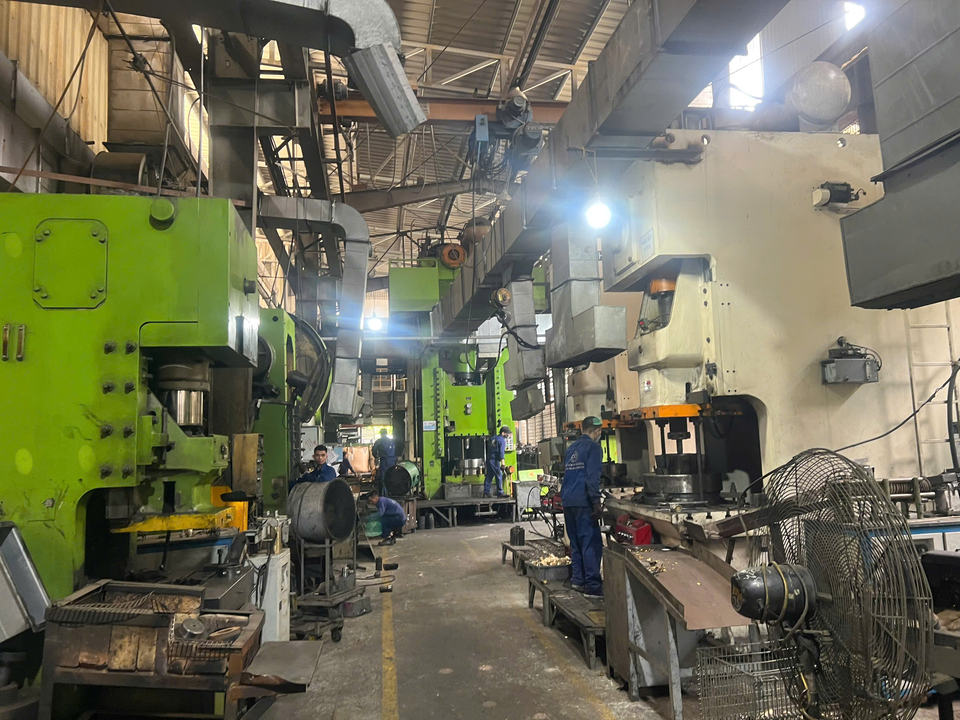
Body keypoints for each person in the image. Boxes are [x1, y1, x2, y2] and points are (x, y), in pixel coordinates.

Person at [560, 416, 605, 598]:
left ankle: (577, 580)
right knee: (590, 543)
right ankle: (593, 587)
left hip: (568, 500)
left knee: (576, 543)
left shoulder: (571, 449)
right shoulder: (594, 448)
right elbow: (592, 477)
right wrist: (596, 502)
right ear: (598, 431)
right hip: (583, 501)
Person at [484, 426, 511, 498]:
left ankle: (486, 492)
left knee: (489, 475)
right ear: (503, 433)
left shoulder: (493, 438)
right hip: (495, 460)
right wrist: (503, 464)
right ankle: (500, 493)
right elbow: (501, 453)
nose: (508, 435)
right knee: (499, 475)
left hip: (489, 459)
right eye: (507, 433)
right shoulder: (501, 440)